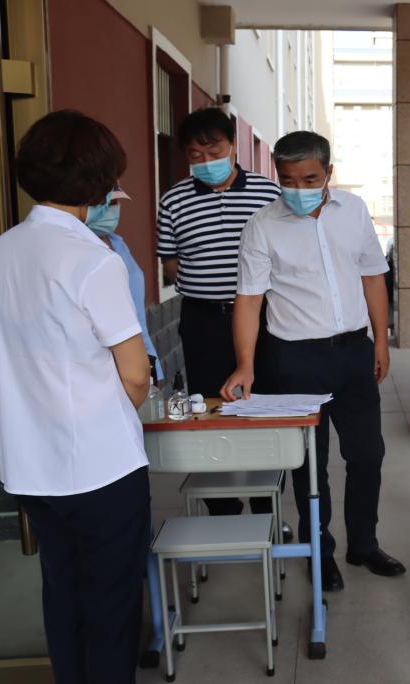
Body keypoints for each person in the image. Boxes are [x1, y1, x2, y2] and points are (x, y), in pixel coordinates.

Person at [0, 110, 151, 684]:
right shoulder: (93, 261)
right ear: (99, 180)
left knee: (63, 595)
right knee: (111, 607)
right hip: (100, 467)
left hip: (31, 466)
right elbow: (135, 374)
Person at [221, 131, 404, 593]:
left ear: (328, 173)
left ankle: (364, 543)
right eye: (287, 179)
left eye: (309, 179)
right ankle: (319, 550)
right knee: (309, 464)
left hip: (353, 353)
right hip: (295, 359)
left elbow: (373, 277)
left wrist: (380, 342)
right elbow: (249, 299)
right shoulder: (262, 224)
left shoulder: (354, 211)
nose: (298, 189)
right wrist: (246, 364)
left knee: (367, 454)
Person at [157, 107, 281, 519]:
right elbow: (170, 263)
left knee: (263, 406)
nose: (206, 162)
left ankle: (266, 508)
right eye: (195, 155)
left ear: (233, 147)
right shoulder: (173, 200)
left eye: (214, 151)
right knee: (210, 407)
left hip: (263, 319)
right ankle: (223, 508)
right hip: (203, 320)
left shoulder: (267, 192)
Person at [85, 186, 164, 381]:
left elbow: (138, 321)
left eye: (115, 203)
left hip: (136, 356)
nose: (111, 209)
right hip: (101, 367)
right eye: (104, 204)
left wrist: (154, 370)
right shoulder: (79, 249)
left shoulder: (118, 243)